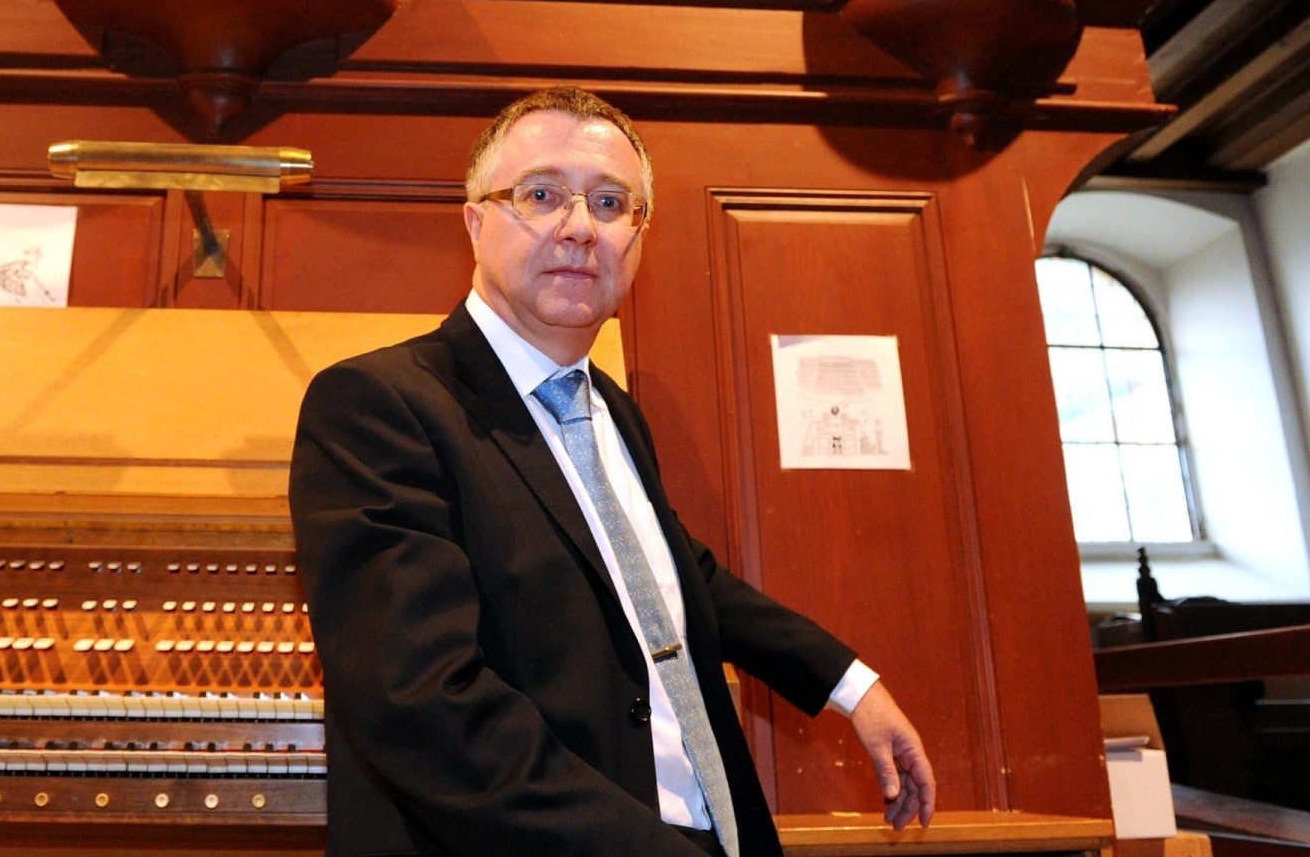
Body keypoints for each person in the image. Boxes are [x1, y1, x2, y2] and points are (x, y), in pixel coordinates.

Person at [290, 87, 936, 857]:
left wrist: (849, 685)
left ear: (638, 235)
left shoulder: (614, 410)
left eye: (609, 202)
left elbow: (672, 574)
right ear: (475, 222)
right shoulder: (378, 405)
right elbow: (423, 705)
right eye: (540, 195)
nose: (578, 228)